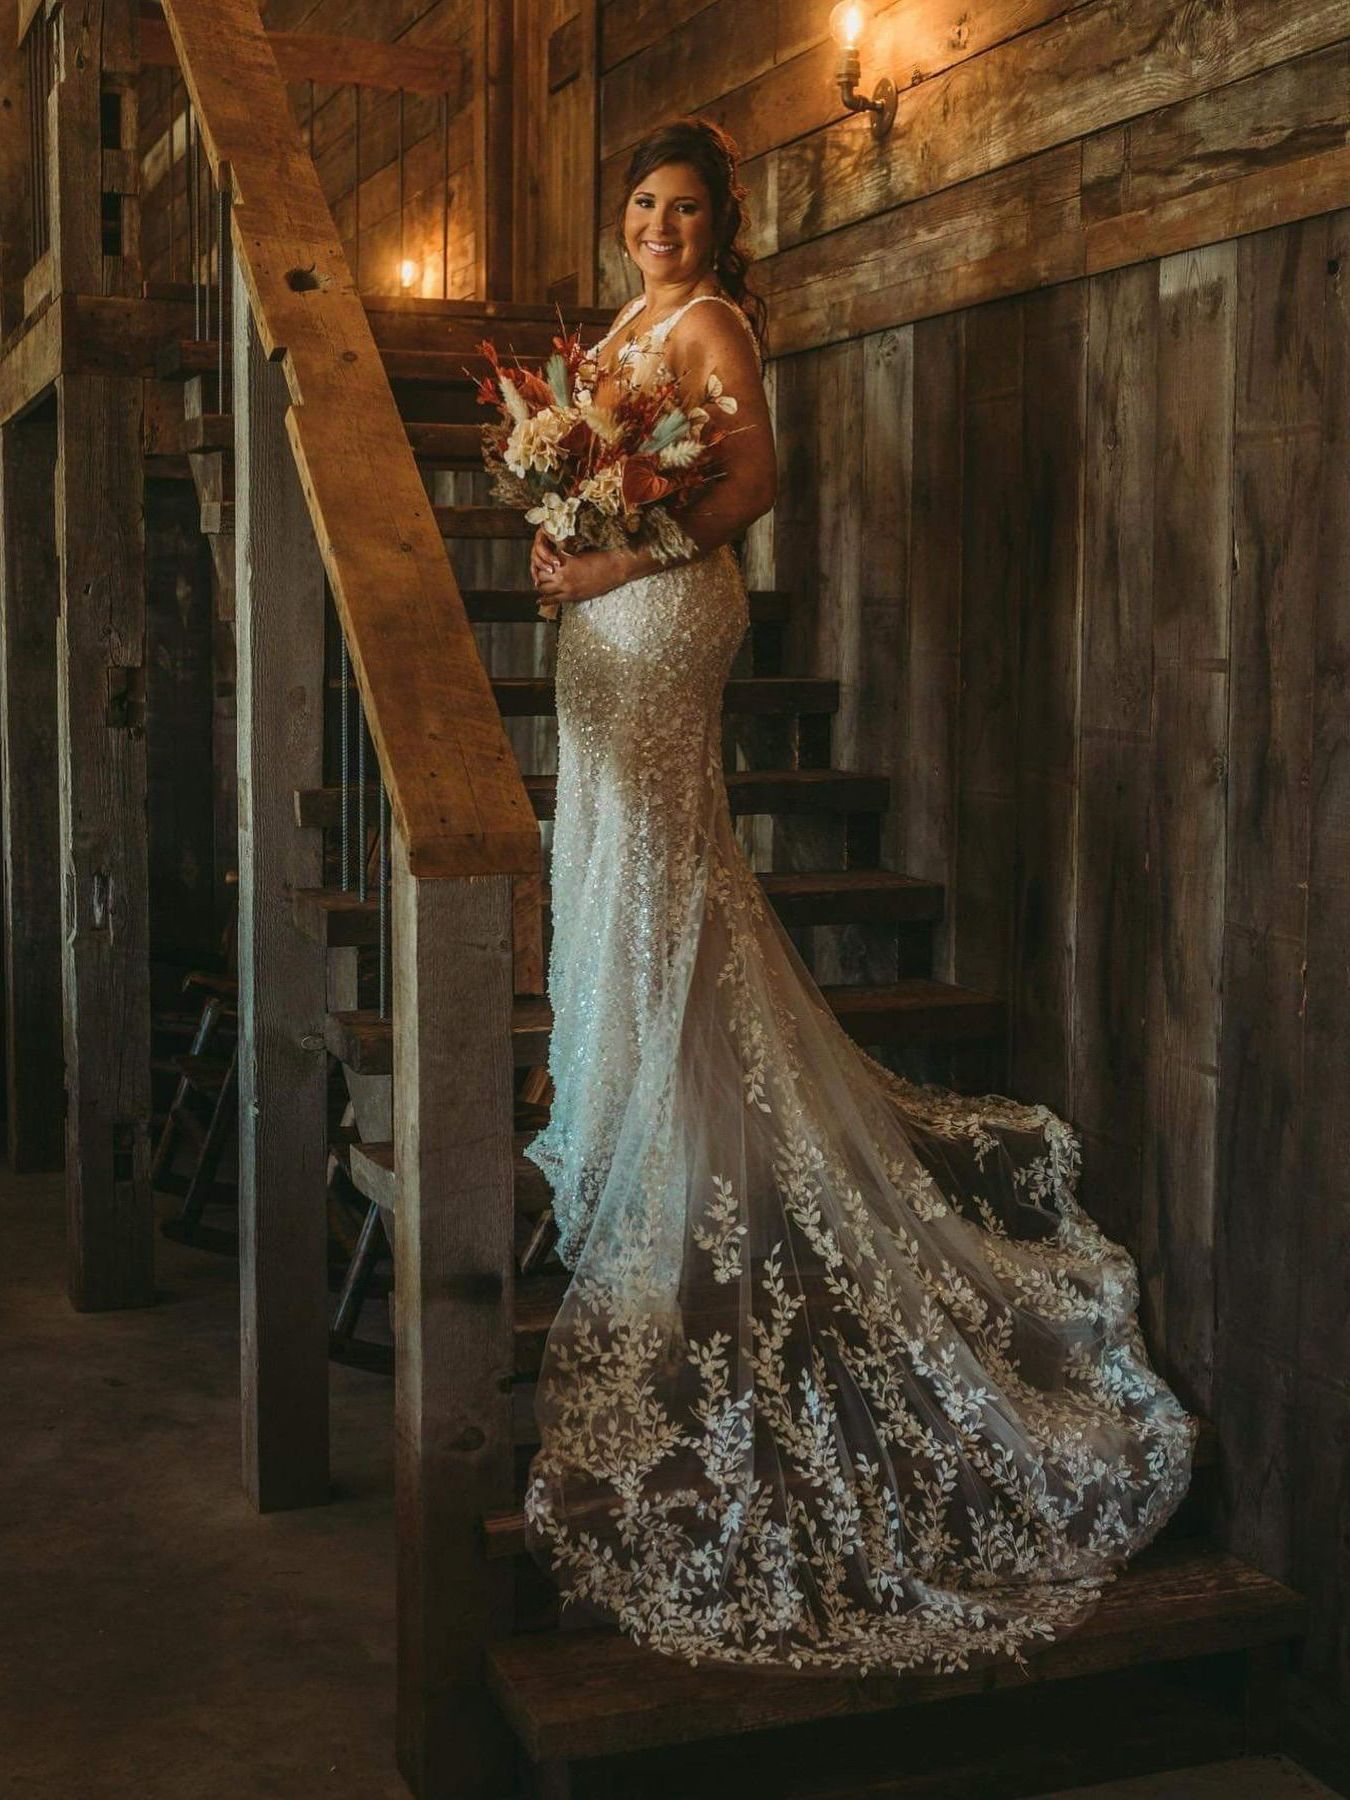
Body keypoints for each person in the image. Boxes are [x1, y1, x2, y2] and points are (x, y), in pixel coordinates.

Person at [522, 115, 1195, 1677]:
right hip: (601, 622)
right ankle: (629, 1098)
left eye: (685, 209)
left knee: (667, 861)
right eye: (640, 205)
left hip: (666, 614)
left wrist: (612, 567)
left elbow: (752, 474)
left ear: (722, 226)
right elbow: (602, 479)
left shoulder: (711, 326)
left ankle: (682, 1140)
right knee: (613, 856)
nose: (660, 230)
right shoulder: (624, 324)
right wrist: (562, 539)